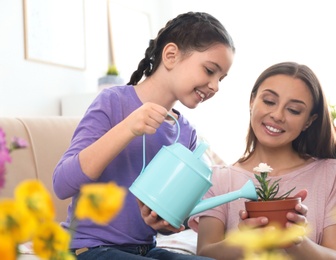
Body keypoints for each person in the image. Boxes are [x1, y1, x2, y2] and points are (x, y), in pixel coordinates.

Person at [52, 11, 235, 260]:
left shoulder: (188, 135)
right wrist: (128, 128)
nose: (215, 86)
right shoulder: (112, 103)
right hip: (88, 249)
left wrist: (168, 224)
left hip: (146, 250)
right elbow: (62, 184)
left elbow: (171, 217)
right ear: (170, 56)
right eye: (210, 70)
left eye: (221, 78)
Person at [188, 62, 336, 259]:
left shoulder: (334, 174)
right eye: (270, 101)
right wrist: (244, 241)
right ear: (252, 101)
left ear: (309, 121)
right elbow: (204, 253)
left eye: (294, 110)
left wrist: (296, 242)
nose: (277, 115)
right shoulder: (219, 179)